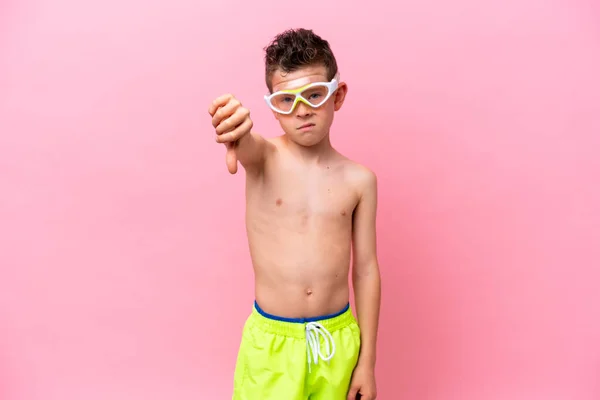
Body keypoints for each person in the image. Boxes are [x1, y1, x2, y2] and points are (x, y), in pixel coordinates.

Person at [207, 28, 381, 400]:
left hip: (337, 344)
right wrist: (233, 125)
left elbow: (365, 270)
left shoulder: (360, 181)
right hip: (272, 346)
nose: (301, 110)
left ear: (338, 96)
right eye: (286, 100)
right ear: (272, 105)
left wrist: (366, 363)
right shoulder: (264, 158)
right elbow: (246, 143)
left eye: (314, 95)